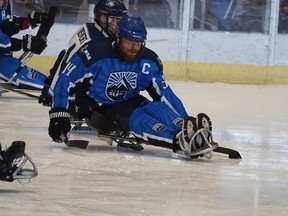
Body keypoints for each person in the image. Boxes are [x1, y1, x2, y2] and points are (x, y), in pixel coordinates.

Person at [47, 15, 217, 158]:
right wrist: (59, 114)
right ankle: (179, 140)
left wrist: (186, 118)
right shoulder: (93, 53)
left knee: (157, 107)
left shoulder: (149, 61)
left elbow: (164, 93)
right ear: (118, 37)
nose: (134, 48)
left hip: (131, 100)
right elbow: (65, 79)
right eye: (129, 41)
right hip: (99, 106)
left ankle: (189, 131)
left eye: (138, 42)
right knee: (139, 119)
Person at [38, 0, 128, 108]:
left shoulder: (89, 27)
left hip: (64, 85)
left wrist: (51, 85)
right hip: (77, 95)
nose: (120, 24)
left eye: (122, 20)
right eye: (116, 20)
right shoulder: (98, 41)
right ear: (103, 19)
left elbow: (65, 57)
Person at [0, 0, 48, 90]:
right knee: (10, 66)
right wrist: (24, 44)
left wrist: (27, 21)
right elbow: (2, 43)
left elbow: (5, 25)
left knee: (13, 64)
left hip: (3, 58)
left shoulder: (5, 5)